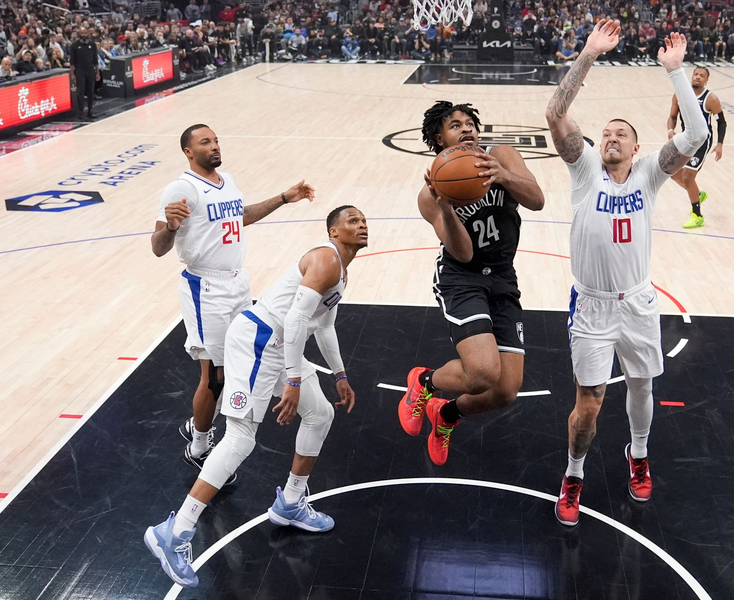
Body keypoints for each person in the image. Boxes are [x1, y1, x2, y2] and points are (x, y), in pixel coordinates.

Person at [144, 206, 366, 588]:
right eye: (353, 220)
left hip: (279, 346)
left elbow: (324, 326)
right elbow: (294, 320)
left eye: (363, 221)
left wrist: (341, 375)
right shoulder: (326, 259)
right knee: (240, 440)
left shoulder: (341, 270)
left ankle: (291, 503)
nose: (362, 225)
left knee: (320, 414)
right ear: (333, 231)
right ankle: (174, 532)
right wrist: (293, 380)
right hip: (259, 341)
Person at [544, 23, 708, 526]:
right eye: (607, 133)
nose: (612, 137)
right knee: (589, 405)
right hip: (592, 305)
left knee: (641, 386)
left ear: (637, 149)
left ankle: (638, 454)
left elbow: (697, 135)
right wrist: (589, 54)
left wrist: (676, 71)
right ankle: (574, 474)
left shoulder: (650, 173)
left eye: (623, 134)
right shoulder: (585, 169)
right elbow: (555, 113)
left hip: (637, 301)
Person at [151, 124, 314, 478]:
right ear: (188, 152)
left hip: (238, 283)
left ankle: (199, 424)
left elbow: (240, 216)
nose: (214, 146)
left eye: (216, 140)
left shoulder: (228, 180)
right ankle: (199, 446)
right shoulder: (181, 188)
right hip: (205, 287)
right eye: (205, 142)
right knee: (216, 376)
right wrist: (171, 227)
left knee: (238, 363)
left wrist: (284, 198)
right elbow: (158, 247)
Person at [398, 101, 545, 465]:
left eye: (469, 123)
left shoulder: (502, 156)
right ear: (439, 139)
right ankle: (425, 382)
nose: (466, 129)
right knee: (481, 373)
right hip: (461, 278)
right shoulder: (430, 194)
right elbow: (462, 253)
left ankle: (445, 414)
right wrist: (447, 208)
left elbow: (537, 200)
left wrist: (504, 176)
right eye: (455, 125)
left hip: (503, 276)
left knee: (505, 391)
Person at [667, 66, 725, 229]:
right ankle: (697, 194)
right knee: (672, 171)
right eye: (696, 74)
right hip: (686, 138)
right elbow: (672, 116)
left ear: (706, 80)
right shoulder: (679, 95)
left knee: (688, 176)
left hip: (702, 140)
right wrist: (670, 130)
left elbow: (721, 122)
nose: (698, 77)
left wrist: (720, 144)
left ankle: (697, 215)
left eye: (702, 76)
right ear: (691, 77)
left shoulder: (710, 99)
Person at [69, 27, 99, 120]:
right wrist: (72, 74)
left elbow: (95, 60)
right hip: (80, 70)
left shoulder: (92, 44)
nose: (84, 35)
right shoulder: (74, 45)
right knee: (80, 91)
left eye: (85, 33)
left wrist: (97, 72)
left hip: (90, 69)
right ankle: (80, 112)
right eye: (82, 33)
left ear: (88, 33)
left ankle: (90, 111)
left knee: (90, 91)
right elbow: (72, 62)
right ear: (79, 34)